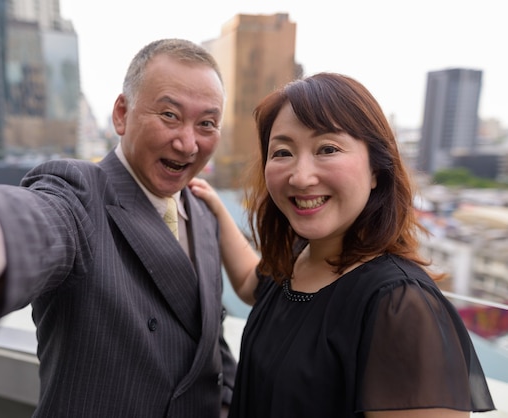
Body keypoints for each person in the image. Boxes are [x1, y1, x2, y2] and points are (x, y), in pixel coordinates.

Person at [0, 38, 236, 417]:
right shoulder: (80, 193)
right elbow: (37, 224)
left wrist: (228, 398)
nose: (187, 143)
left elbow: (209, 335)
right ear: (121, 113)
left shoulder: (201, 211)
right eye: (169, 115)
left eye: (207, 124)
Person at [188, 72, 496, 417]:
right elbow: (250, 283)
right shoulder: (299, 257)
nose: (301, 176)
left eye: (328, 149)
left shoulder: (400, 305)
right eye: (283, 152)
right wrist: (215, 206)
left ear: (377, 169)